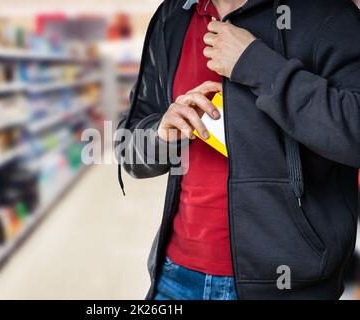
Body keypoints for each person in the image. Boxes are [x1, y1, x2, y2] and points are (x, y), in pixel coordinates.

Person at [115, 0, 360, 300]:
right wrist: (160, 135)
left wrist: (256, 64)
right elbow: (127, 148)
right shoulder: (174, 16)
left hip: (284, 286)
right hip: (175, 276)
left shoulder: (327, 14)